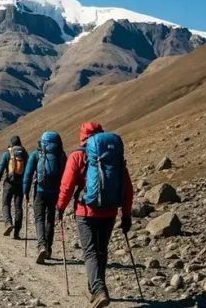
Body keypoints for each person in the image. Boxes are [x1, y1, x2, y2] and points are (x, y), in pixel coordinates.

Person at [56, 123, 133, 308]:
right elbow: (127, 187)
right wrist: (127, 215)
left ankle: (98, 290)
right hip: (110, 210)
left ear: (82, 136)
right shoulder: (113, 156)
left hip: (86, 211)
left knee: (90, 252)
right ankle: (96, 288)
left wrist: (60, 206)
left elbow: (67, 186)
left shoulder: (77, 156)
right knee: (101, 251)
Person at [22, 131, 67, 264]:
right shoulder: (61, 155)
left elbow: (28, 174)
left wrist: (25, 191)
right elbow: (66, 175)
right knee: (50, 219)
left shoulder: (36, 154)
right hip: (55, 192)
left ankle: (41, 245)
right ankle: (49, 249)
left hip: (40, 191)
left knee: (39, 218)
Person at [0, 135, 27, 239]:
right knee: (18, 208)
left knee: (5, 204)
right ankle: (17, 233)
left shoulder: (7, 153)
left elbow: (1, 167)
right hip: (20, 184)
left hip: (9, 183)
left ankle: (8, 223)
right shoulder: (25, 154)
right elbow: (29, 169)